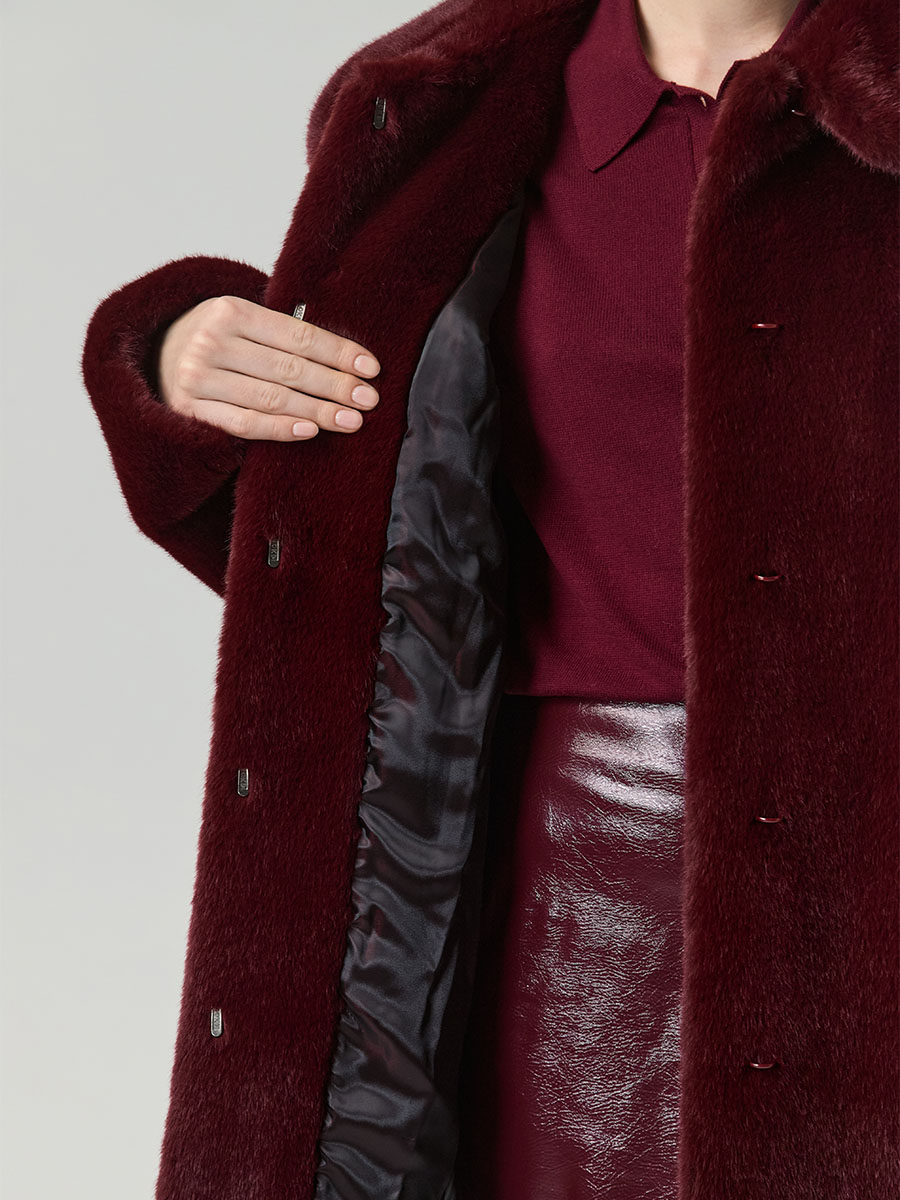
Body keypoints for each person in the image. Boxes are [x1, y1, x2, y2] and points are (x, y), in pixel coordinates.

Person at [80, 0, 898, 1197]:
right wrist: (169, 354)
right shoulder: (441, 103)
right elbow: (349, 559)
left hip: (865, 873)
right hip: (543, 880)